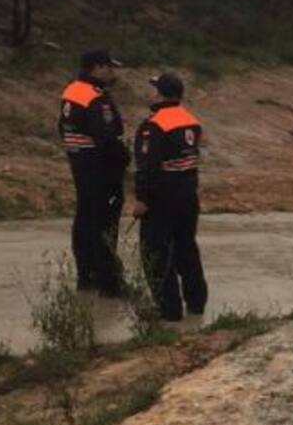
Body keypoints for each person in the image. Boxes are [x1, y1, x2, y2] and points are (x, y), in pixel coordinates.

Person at [132, 73, 208, 322]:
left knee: (155, 252)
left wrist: (141, 199)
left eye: (154, 89)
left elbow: (147, 167)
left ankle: (168, 310)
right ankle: (196, 303)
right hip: (187, 194)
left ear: (160, 94)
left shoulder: (153, 125)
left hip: (161, 197)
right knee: (186, 247)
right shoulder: (191, 121)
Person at [58, 49, 129, 296]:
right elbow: (107, 139)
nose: (111, 72)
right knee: (105, 225)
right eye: (108, 67)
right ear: (96, 68)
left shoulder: (71, 92)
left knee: (84, 220)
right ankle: (109, 284)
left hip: (80, 164)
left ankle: (86, 276)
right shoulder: (94, 98)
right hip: (101, 169)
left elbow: (63, 130)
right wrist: (123, 161)